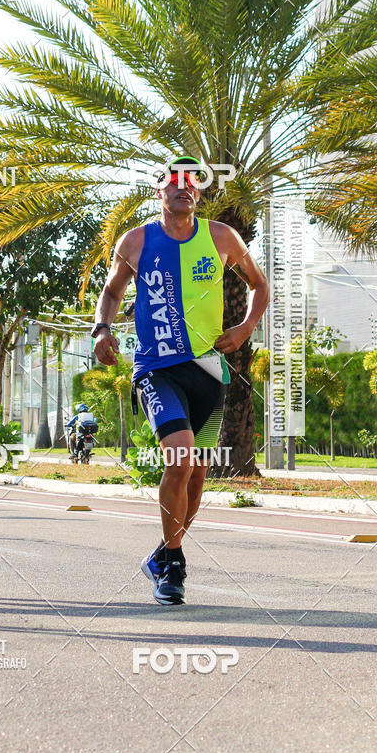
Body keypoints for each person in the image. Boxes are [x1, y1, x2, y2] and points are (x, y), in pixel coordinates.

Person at [92, 157, 269, 605]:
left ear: (199, 192)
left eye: (192, 181)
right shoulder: (135, 241)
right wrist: (103, 329)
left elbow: (260, 286)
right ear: (159, 191)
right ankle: (174, 564)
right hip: (156, 368)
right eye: (174, 180)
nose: (183, 187)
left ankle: (162, 554)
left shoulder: (221, 237)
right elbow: (112, 292)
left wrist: (246, 328)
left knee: (197, 474)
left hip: (209, 369)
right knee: (180, 457)